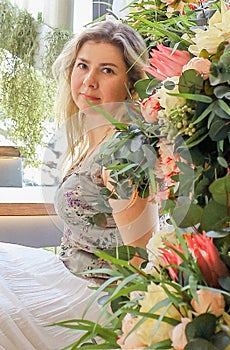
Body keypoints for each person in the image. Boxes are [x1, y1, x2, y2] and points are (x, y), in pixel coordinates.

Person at [0, 20, 159, 350]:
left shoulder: (122, 152)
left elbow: (142, 257)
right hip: (66, 270)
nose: (89, 81)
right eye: (83, 66)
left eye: (107, 71)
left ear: (131, 84)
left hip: (96, 297)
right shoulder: (95, 133)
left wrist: (131, 332)